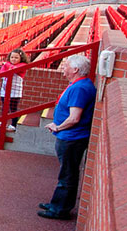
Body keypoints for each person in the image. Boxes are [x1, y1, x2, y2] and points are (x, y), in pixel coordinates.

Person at [39, 55, 96, 220]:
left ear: (75, 70)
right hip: (70, 137)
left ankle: (60, 209)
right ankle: (56, 203)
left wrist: (58, 126)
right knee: (66, 172)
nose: (63, 69)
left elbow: (74, 118)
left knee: (68, 174)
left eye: (66, 66)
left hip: (72, 138)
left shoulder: (80, 88)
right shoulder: (79, 85)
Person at [0, 49, 28, 132]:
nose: (13, 59)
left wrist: (5, 63)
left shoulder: (22, 65)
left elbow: (13, 69)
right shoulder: (7, 65)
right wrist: (5, 64)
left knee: (13, 108)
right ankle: (3, 121)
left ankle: (13, 124)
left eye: (16, 57)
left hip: (15, 92)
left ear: (21, 58)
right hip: (5, 90)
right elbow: (1, 73)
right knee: (4, 107)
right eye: (12, 57)